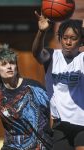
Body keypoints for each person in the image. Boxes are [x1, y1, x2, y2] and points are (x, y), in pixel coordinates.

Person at [32, 11, 84, 150]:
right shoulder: (52, 56)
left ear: (81, 41)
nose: (68, 42)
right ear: (60, 38)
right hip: (59, 123)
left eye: (73, 38)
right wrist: (41, 32)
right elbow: (37, 53)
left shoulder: (82, 59)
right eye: (65, 37)